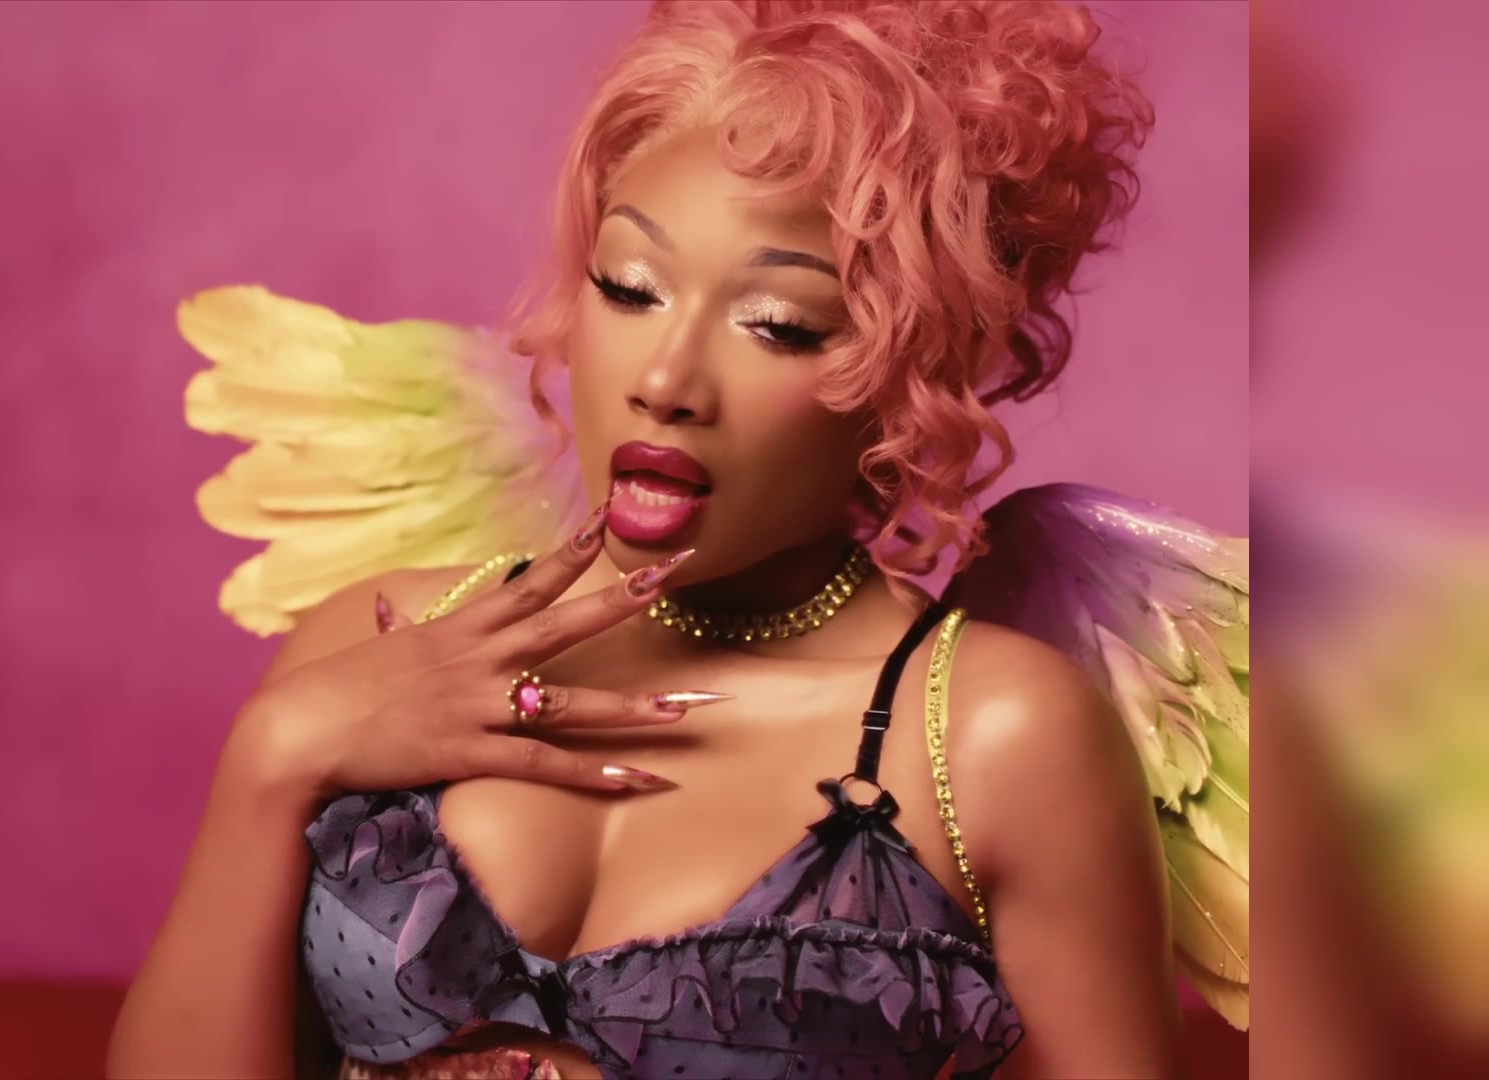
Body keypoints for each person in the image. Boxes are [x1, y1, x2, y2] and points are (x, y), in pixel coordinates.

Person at [110, 2, 1199, 1076]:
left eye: (779, 325)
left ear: (911, 376)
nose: (667, 381)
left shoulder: (992, 735)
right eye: (631, 288)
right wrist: (277, 752)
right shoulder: (379, 640)